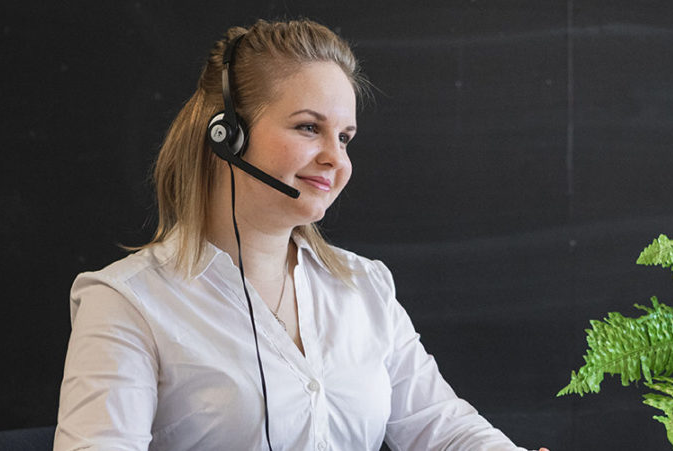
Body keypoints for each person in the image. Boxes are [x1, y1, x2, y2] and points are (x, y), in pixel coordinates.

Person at [55, 19, 545, 451]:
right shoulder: (128, 303)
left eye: (345, 137)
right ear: (228, 134)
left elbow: (443, 428)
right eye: (310, 128)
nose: (337, 158)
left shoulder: (364, 287)